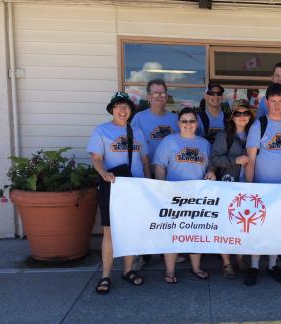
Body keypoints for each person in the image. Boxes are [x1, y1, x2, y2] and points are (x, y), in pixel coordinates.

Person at [87, 91, 151, 294]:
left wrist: (149, 184)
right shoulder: (101, 131)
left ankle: (128, 270)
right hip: (112, 185)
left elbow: (145, 161)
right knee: (110, 231)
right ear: (112, 110)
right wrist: (103, 173)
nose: (122, 110)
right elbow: (96, 158)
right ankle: (105, 275)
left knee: (130, 229)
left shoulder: (137, 132)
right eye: (118, 107)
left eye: (126, 107)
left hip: (135, 185)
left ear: (131, 111)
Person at [153, 107, 216, 284]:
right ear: (178, 123)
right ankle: (170, 270)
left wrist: (212, 172)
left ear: (197, 123)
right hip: (174, 195)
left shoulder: (204, 143)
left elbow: (211, 165)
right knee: (173, 234)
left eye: (192, 121)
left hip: (198, 196)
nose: (188, 124)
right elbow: (159, 166)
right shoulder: (169, 141)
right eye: (184, 121)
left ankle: (196, 267)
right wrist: (162, 189)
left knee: (196, 234)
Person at [244, 83, 281, 286]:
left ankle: (273, 264)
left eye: (280, 101)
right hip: (260, 188)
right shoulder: (259, 125)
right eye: (272, 101)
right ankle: (254, 265)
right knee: (257, 228)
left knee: (277, 228)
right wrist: (249, 186)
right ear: (267, 102)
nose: (276, 105)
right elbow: (251, 158)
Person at [131, 79, 181, 270]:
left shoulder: (173, 119)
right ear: (148, 96)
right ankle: (141, 255)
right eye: (155, 93)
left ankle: (167, 251)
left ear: (167, 96)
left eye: (162, 93)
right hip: (146, 172)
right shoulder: (139, 119)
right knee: (144, 215)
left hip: (168, 175)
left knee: (166, 216)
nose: (159, 96)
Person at [210, 99, 254, 279]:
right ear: (232, 116)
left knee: (243, 225)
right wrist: (234, 160)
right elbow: (214, 159)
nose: (242, 116)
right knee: (226, 225)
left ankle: (240, 258)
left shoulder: (255, 133)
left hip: (250, 185)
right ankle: (227, 262)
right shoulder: (224, 136)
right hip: (228, 185)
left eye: (246, 113)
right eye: (238, 113)